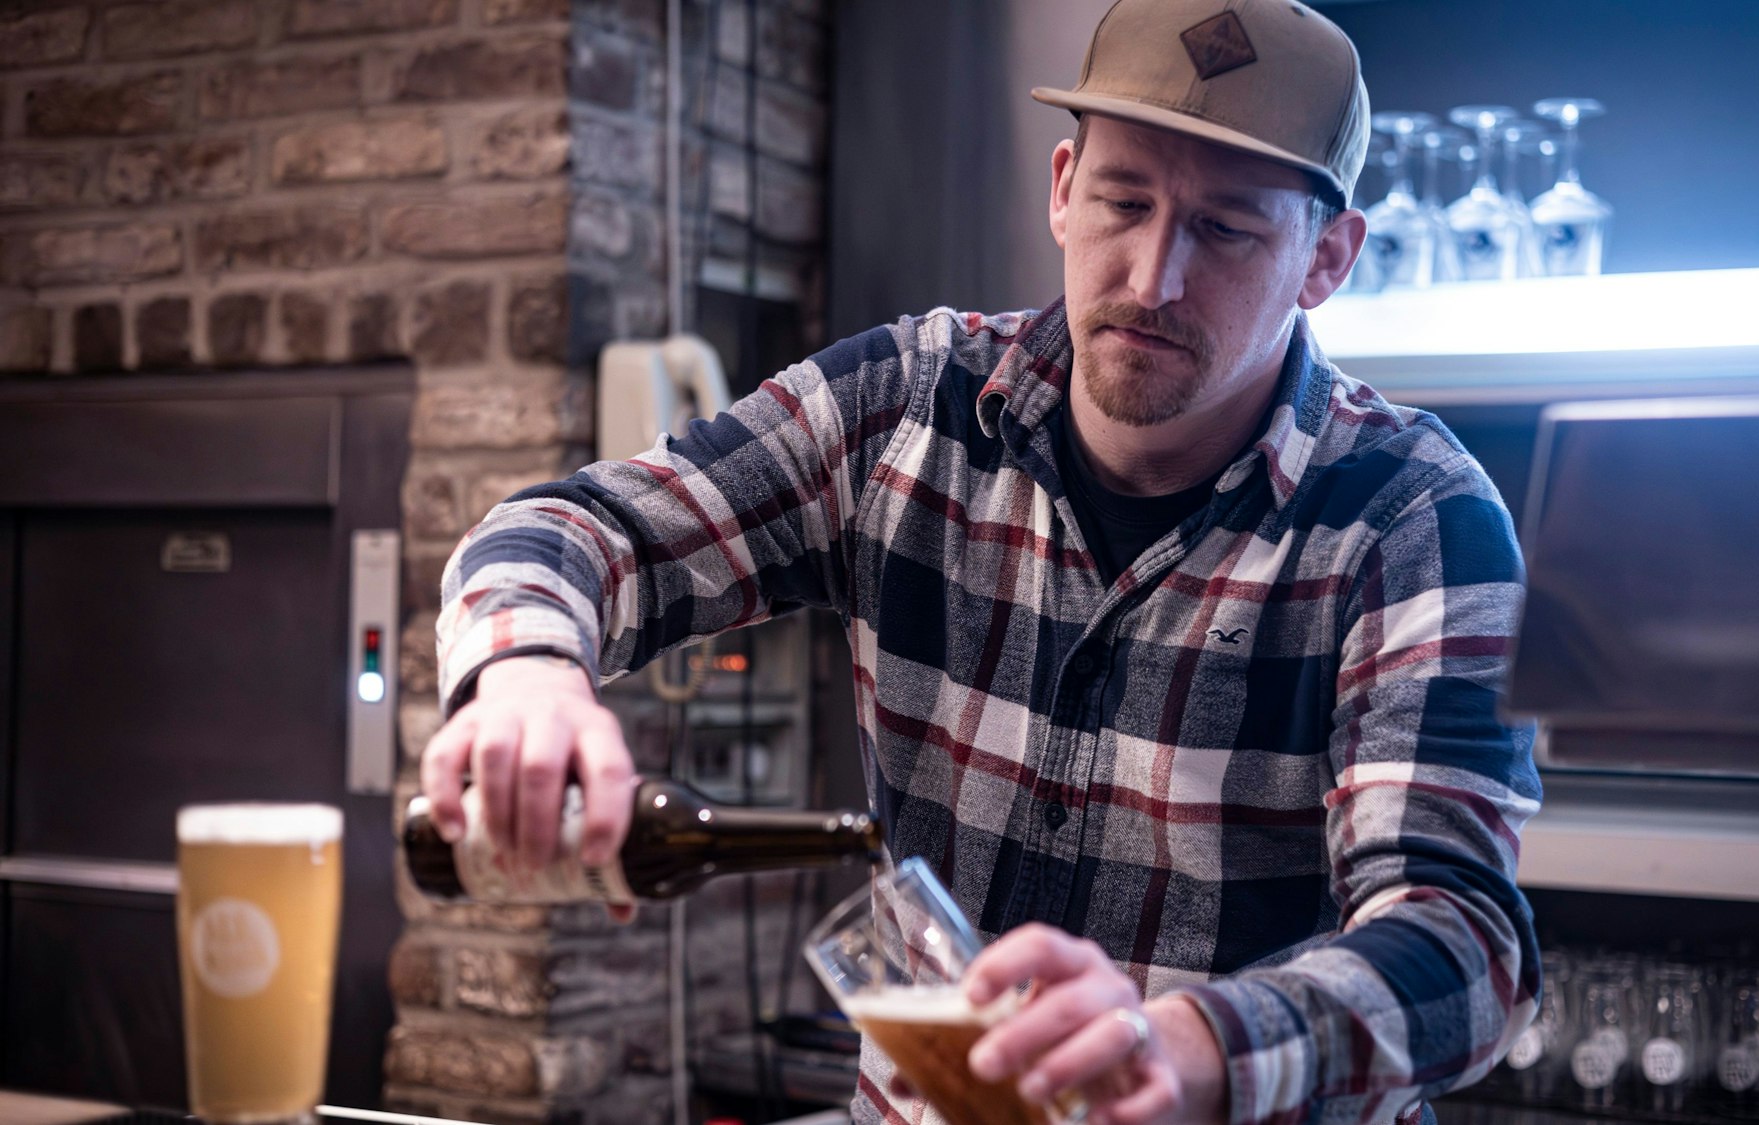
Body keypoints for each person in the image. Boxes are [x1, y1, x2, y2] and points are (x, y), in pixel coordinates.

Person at [420, 0, 1542, 1122]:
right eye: (1123, 202)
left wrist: (1182, 1044)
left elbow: (1460, 945)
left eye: (1228, 231)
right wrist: (526, 676)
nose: (1153, 277)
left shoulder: (1414, 519)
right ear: (1062, 188)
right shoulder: (907, 404)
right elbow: (577, 530)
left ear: (1325, 259)